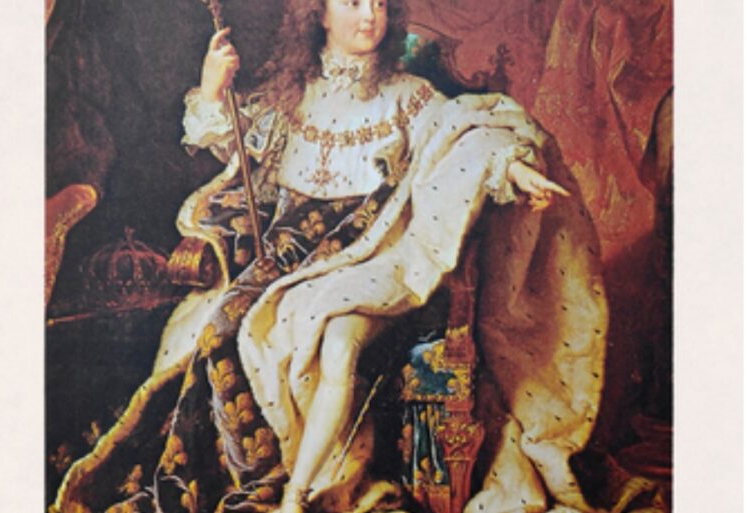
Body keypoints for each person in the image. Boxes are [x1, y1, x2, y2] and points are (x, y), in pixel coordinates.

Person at [53, 1, 593, 513]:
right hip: (287, 263)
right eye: (354, 3)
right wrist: (214, 87)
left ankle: (298, 495)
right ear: (321, 14)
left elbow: (467, 137)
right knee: (218, 329)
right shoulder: (292, 97)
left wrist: (512, 169)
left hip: (369, 257)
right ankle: (264, 475)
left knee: (335, 341)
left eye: (379, 4)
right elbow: (226, 142)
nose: (370, 16)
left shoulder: (409, 98)